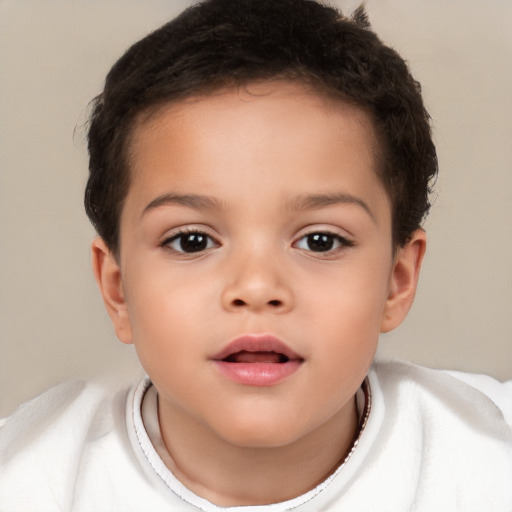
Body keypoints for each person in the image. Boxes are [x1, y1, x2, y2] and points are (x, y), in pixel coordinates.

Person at [0, 0, 511, 510]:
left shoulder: (488, 461)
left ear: (397, 281)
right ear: (117, 290)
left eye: (321, 240)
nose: (257, 288)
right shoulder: (29, 480)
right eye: (192, 241)